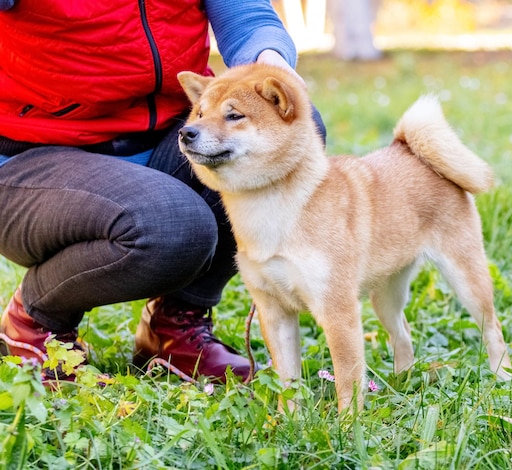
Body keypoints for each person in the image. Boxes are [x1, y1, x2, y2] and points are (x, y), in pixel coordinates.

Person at [0, 0, 326, 383]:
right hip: (33, 154)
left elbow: (245, 13)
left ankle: (174, 326)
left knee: (291, 133)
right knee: (173, 225)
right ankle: (35, 320)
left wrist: (271, 60)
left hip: (163, 136)